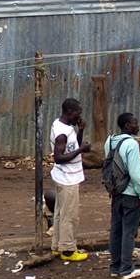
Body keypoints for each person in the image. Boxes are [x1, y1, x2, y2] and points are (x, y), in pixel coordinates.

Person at [105, 111, 140, 279]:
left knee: (116, 230)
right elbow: (136, 174)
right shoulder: (131, 144)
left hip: (115, 192)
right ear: (127, 125)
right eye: (134, 123)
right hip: (130, 193)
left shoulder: (110, 141)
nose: (137, 126)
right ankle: (126, 269)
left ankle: (115, 267)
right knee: (128, 232)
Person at [49, 97, 88, 263]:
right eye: (77, 113)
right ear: (69, 112)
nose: (79, 116)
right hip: (67, 178)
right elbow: (58, 157)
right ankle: (68, 250)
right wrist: (82, 149)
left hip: (65, 177)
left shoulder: (65, 126)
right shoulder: (62, 133)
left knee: (60, 213)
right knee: (69, 215)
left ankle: (57, 246)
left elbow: (71, 147)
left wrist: (80, 131)